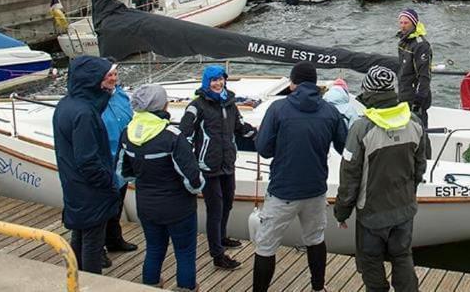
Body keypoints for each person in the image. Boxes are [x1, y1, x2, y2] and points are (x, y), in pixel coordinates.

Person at [252, 61, 348, 292]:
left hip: (283, 190)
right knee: (315, 239)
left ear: (293, 83)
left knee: (265, 246)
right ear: (315, 83)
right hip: (315, 189)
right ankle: (318, 288)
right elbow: (344, 145)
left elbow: (264, 149)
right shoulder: (330, 111)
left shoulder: (277, 109)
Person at [333, 67, 426, 292]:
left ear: (369, 94)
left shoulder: (361, 128)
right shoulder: (414, 122)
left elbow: (349, 175)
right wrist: (408, 195)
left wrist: (342, 211)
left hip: (372, 215)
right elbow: (420, 167)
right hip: (404, 209)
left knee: (371, 262)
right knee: (403, 256)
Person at [120, 84, 204, 291]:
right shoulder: (172, 136)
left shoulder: (127, 133)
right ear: (162, 105)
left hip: (147, 205)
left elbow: (124, 172)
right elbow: (193, 179)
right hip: (178, 208)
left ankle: (150, 286)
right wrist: (198, 188)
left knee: (154, 248)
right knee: (184, 252)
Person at [179, 65, 257, 270]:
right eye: (214, 80)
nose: (218, 83)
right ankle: (217, 254)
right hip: (207, 167)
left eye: (221, 79)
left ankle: (221, 238)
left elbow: (241, 128)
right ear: (206, 82)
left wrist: (262, 135)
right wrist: (188, 165)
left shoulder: (230, 104)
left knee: (228, 203)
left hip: (227, 164)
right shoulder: (197, 106)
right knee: (215, 209)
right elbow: (184, 135)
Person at [52, 55, 120, 274]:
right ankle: (91, 283)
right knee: (92, 243)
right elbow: (88, 160)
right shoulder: (84, 113)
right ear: (93, 79)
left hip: (74, 185)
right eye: (106, 75)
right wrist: (109, 182)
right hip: (90, 190)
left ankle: (75, 280)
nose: (112, 79)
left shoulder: (66, 105)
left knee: (80, 236)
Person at [101, 80, 137, 261]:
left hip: (121, 159)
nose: (114, 78)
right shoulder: (93, 101)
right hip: (103, 160)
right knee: (101, 207)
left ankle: (114, 239)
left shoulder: (121, 95)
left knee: (117, 204)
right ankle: (97, 249)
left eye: (115, 74)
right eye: (109, 75)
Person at [396, 8, 432, 133]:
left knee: (419, 132)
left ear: (414, 23)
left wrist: (419, 99)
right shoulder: (404, 42)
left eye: (406, 23)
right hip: (404, 93)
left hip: (415, 97)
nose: (403, 26)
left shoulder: (420, 45)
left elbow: (424, 74)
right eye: (401, 23)